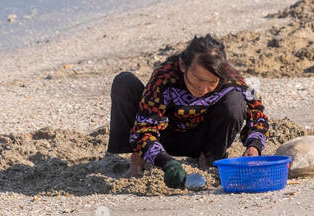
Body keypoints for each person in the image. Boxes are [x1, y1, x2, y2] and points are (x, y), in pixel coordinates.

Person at [108, 34, 269, 188]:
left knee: (235, 102)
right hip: (164, 135)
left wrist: (254, 147)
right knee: (124, 82)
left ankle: (208, 159)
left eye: (211, 82)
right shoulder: (165, 76)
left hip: (203, 139)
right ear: (183, 65)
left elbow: (258, 115)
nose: (202, 88)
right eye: (197, 79)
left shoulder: (234, 79)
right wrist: (165, 162)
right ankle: (139, 157)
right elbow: (144, 128)